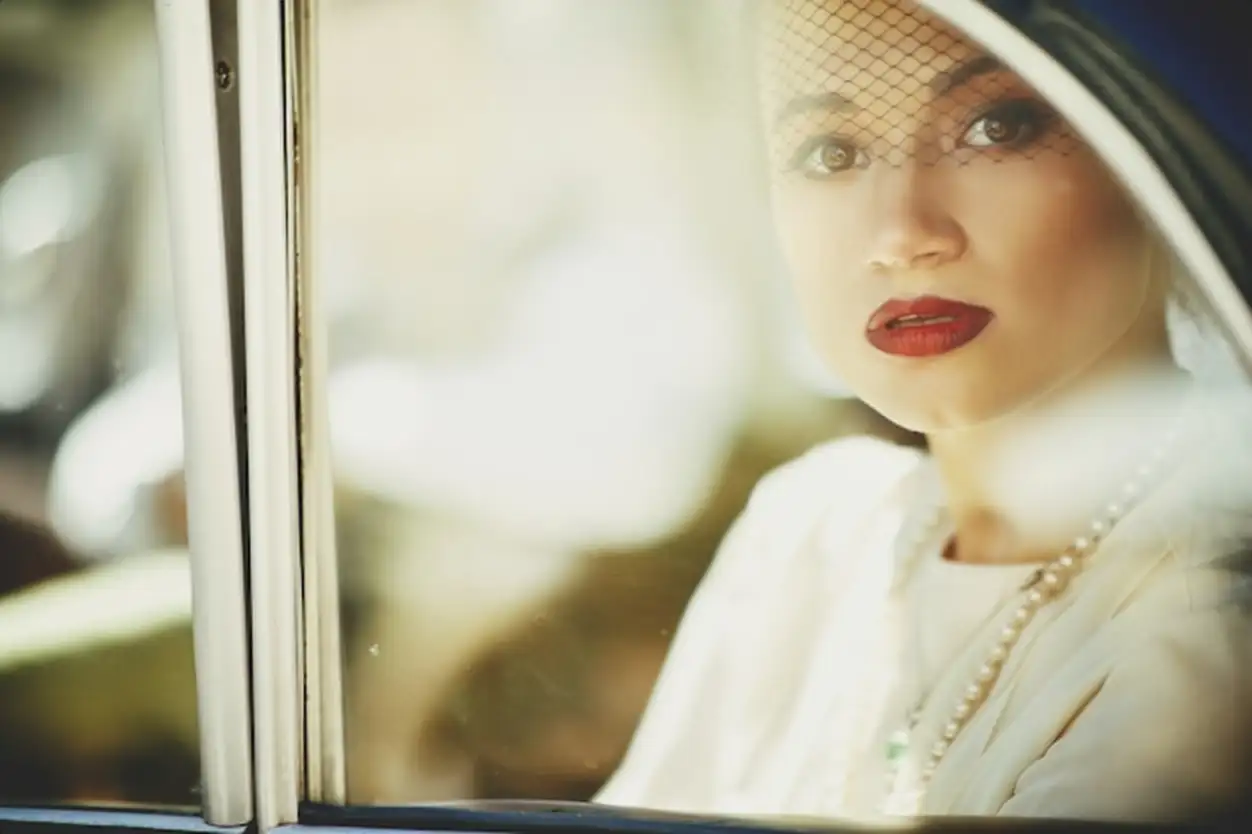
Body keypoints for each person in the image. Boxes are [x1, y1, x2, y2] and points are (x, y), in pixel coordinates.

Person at [594, 0, 1252, 822]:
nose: (902, 233)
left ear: (1153, 154)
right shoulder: (810, 534)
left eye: (998, 127)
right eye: (829, 151)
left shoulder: (1209, 626)